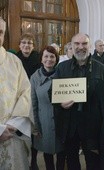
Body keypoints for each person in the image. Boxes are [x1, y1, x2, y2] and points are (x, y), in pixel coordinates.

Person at [53, 33, 104, 170]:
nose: (80, 47)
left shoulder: (101, 69)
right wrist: (60, 103)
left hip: (92, 125)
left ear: (89, 46)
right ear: (71, 46)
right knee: (71, 161)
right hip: (69, 123)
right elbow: (52, 92)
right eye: (76, 44)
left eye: (84, 44)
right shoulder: (62, 67)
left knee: (93, 162)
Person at [0, 17, 32, 170]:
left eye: (0, 32)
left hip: (11, 134)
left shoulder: (14, 62)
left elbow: (25, 94)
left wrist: (11, 126)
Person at [30, 46, 65, 170]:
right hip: (43, 121)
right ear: (41, 59)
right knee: (47, 153)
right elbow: (33, 104)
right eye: (46, 56)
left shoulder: (63, 74)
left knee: (62, 154)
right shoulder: (34, 77)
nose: (49, 59)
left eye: (52, 56)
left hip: (61, 121)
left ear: (56, 59)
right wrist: (35, 126)